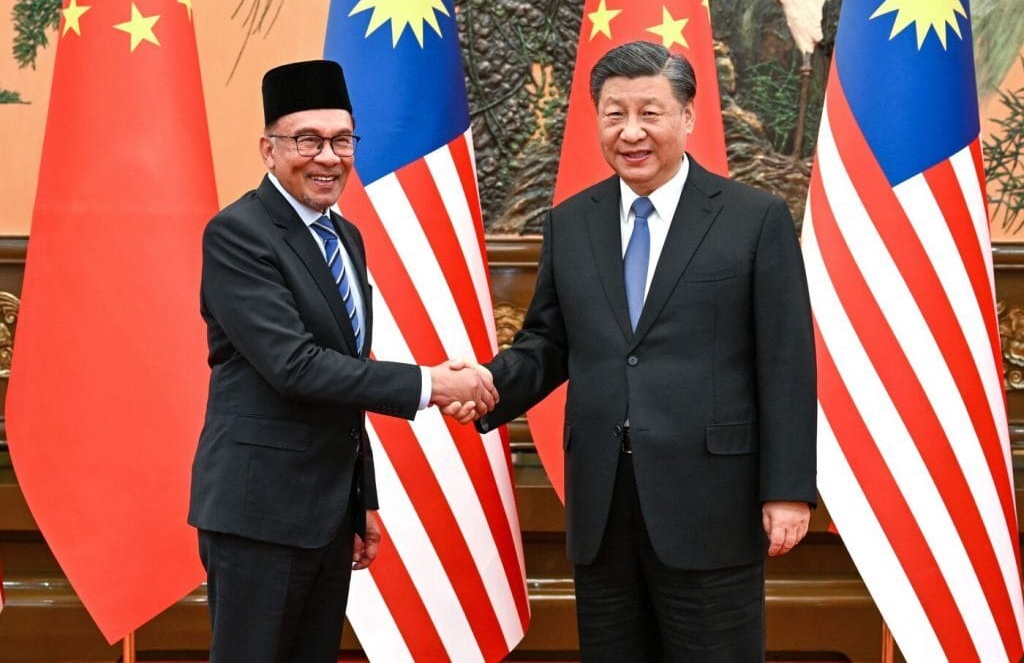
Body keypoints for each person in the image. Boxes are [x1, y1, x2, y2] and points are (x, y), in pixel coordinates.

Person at [470, 41, 817, 660]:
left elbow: (786, 363)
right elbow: (548, 343)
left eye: (649, 113)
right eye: (613, 114)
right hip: (604, 508)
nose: (631, 132)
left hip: (712, 502)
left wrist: (787, 489)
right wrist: (485, 385)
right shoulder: (571, 222)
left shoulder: (753, 219)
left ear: (688, 117)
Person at [188, 59, 495, 663]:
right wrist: (430, 384)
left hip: (326, 514)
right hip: (260, 514)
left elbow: (345, 375)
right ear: (269, 148)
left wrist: (362, 500)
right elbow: (297, 367)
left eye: (342, 140)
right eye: (307, 140)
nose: (328, 157)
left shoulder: (343, 236)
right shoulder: (238, 233)